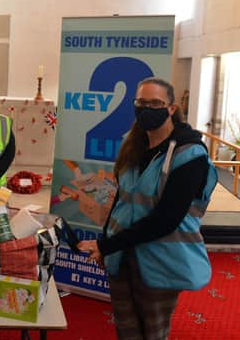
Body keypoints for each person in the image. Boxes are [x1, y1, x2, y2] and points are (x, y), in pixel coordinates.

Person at [78, 77, 218, 340]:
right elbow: (121, 200)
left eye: (155, 103)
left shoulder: (189, 154)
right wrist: (106, 244)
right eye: (141, 103)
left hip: (161, 259)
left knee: (153, 332)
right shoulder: (134, 146)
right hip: (122, 256)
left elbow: (166, 219)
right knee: (126, 329)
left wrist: (108, 246)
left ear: (171, 109)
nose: (147, 109)